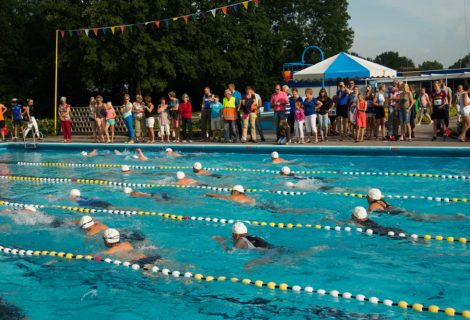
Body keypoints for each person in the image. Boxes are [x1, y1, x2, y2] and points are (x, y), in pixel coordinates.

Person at [365, 188, 468, 221]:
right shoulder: (382, 201)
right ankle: (456, 216)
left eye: (367, 196)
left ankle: (457, 217)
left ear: (372, 197)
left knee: (427, 218)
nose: (366, 197)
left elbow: (368, 218)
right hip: (399, 210)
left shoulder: (373, 206)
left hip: (399, 213)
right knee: (429, 216)